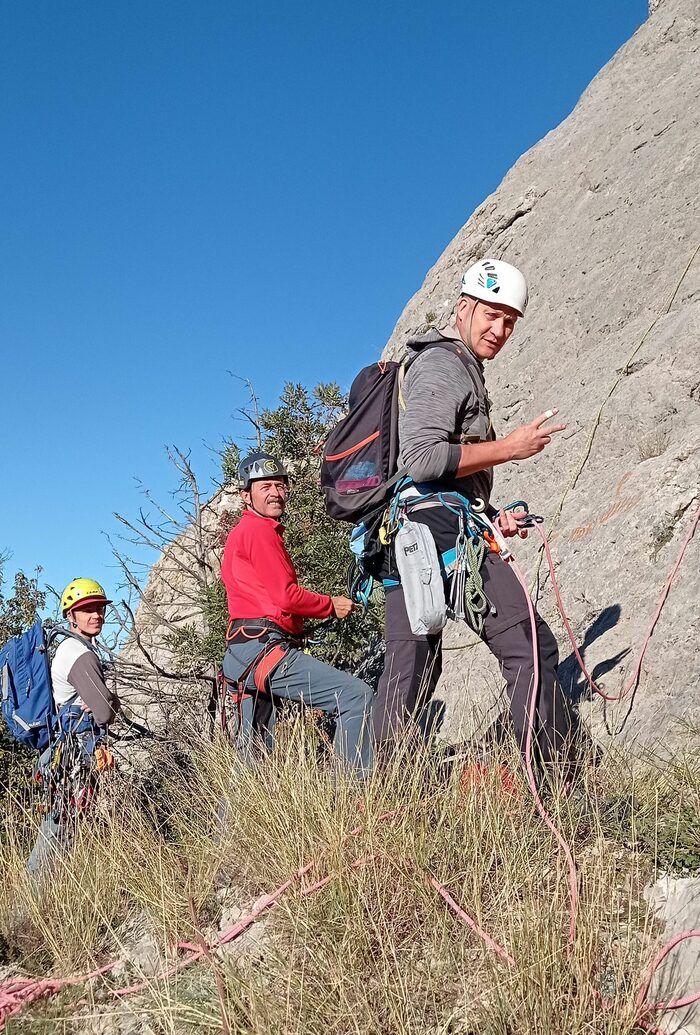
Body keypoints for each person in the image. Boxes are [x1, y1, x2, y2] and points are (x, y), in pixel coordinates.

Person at [373, 258, 577, 773]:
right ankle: (557, 780)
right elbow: (420, 459)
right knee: (529, 646)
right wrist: (508, 448)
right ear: (464, 307)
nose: (499, 330)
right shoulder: (444, 364)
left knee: (409, 671)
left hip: (415, 536)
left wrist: (490, 517)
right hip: (441, 533)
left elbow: (435, 473)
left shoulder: (445, 364)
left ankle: (375, 802)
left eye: (510, 321)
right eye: (491, 315)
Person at [221, 452, 373, 777]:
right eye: (265, 486)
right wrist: (332, 604)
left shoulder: (244, 534)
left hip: (244, 653)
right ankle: (355, 800)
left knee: (253, 761)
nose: (276, 492)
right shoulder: (259, 531)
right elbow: (285, 597)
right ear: (245, 495)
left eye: (280, 485)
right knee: (354, 696)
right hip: (262, 649)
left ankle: (228, 829)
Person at [28, 578, 119, 878]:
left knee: (64, 821)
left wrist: (103, 702)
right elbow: (104, 712)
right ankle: (35, 897)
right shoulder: (78, 654)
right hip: (74, 753)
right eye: (87, 610)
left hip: (67, 751)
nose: (96, 615)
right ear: (71, 615)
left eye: (99, 608)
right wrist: (108, 703)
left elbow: (100, 705)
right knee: (61, 823)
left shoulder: (72, 648)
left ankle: (47, 891)